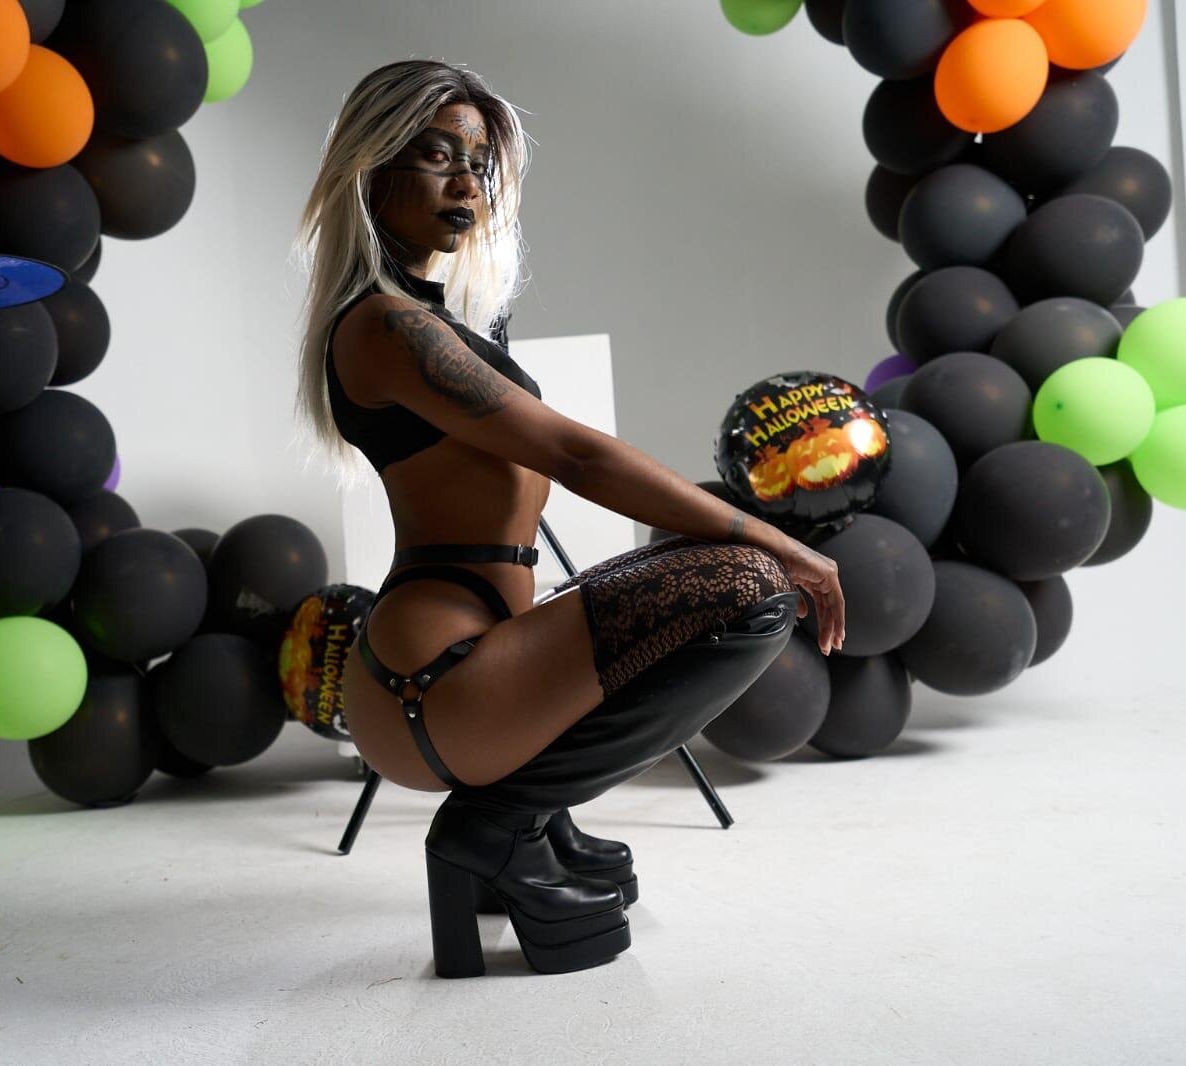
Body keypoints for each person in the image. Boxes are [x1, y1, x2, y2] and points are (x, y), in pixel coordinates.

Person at [292, 60, 846, 978]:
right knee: (749, 586)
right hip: (434, 680)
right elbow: (577, 457)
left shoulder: (430, 318)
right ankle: (495, 827)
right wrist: (781, 539)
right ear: (370, 165)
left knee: (710, 588)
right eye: (436, 155)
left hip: (462, 667)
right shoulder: (385, 329)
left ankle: (532, 816)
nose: (466, 183)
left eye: (479, 163)